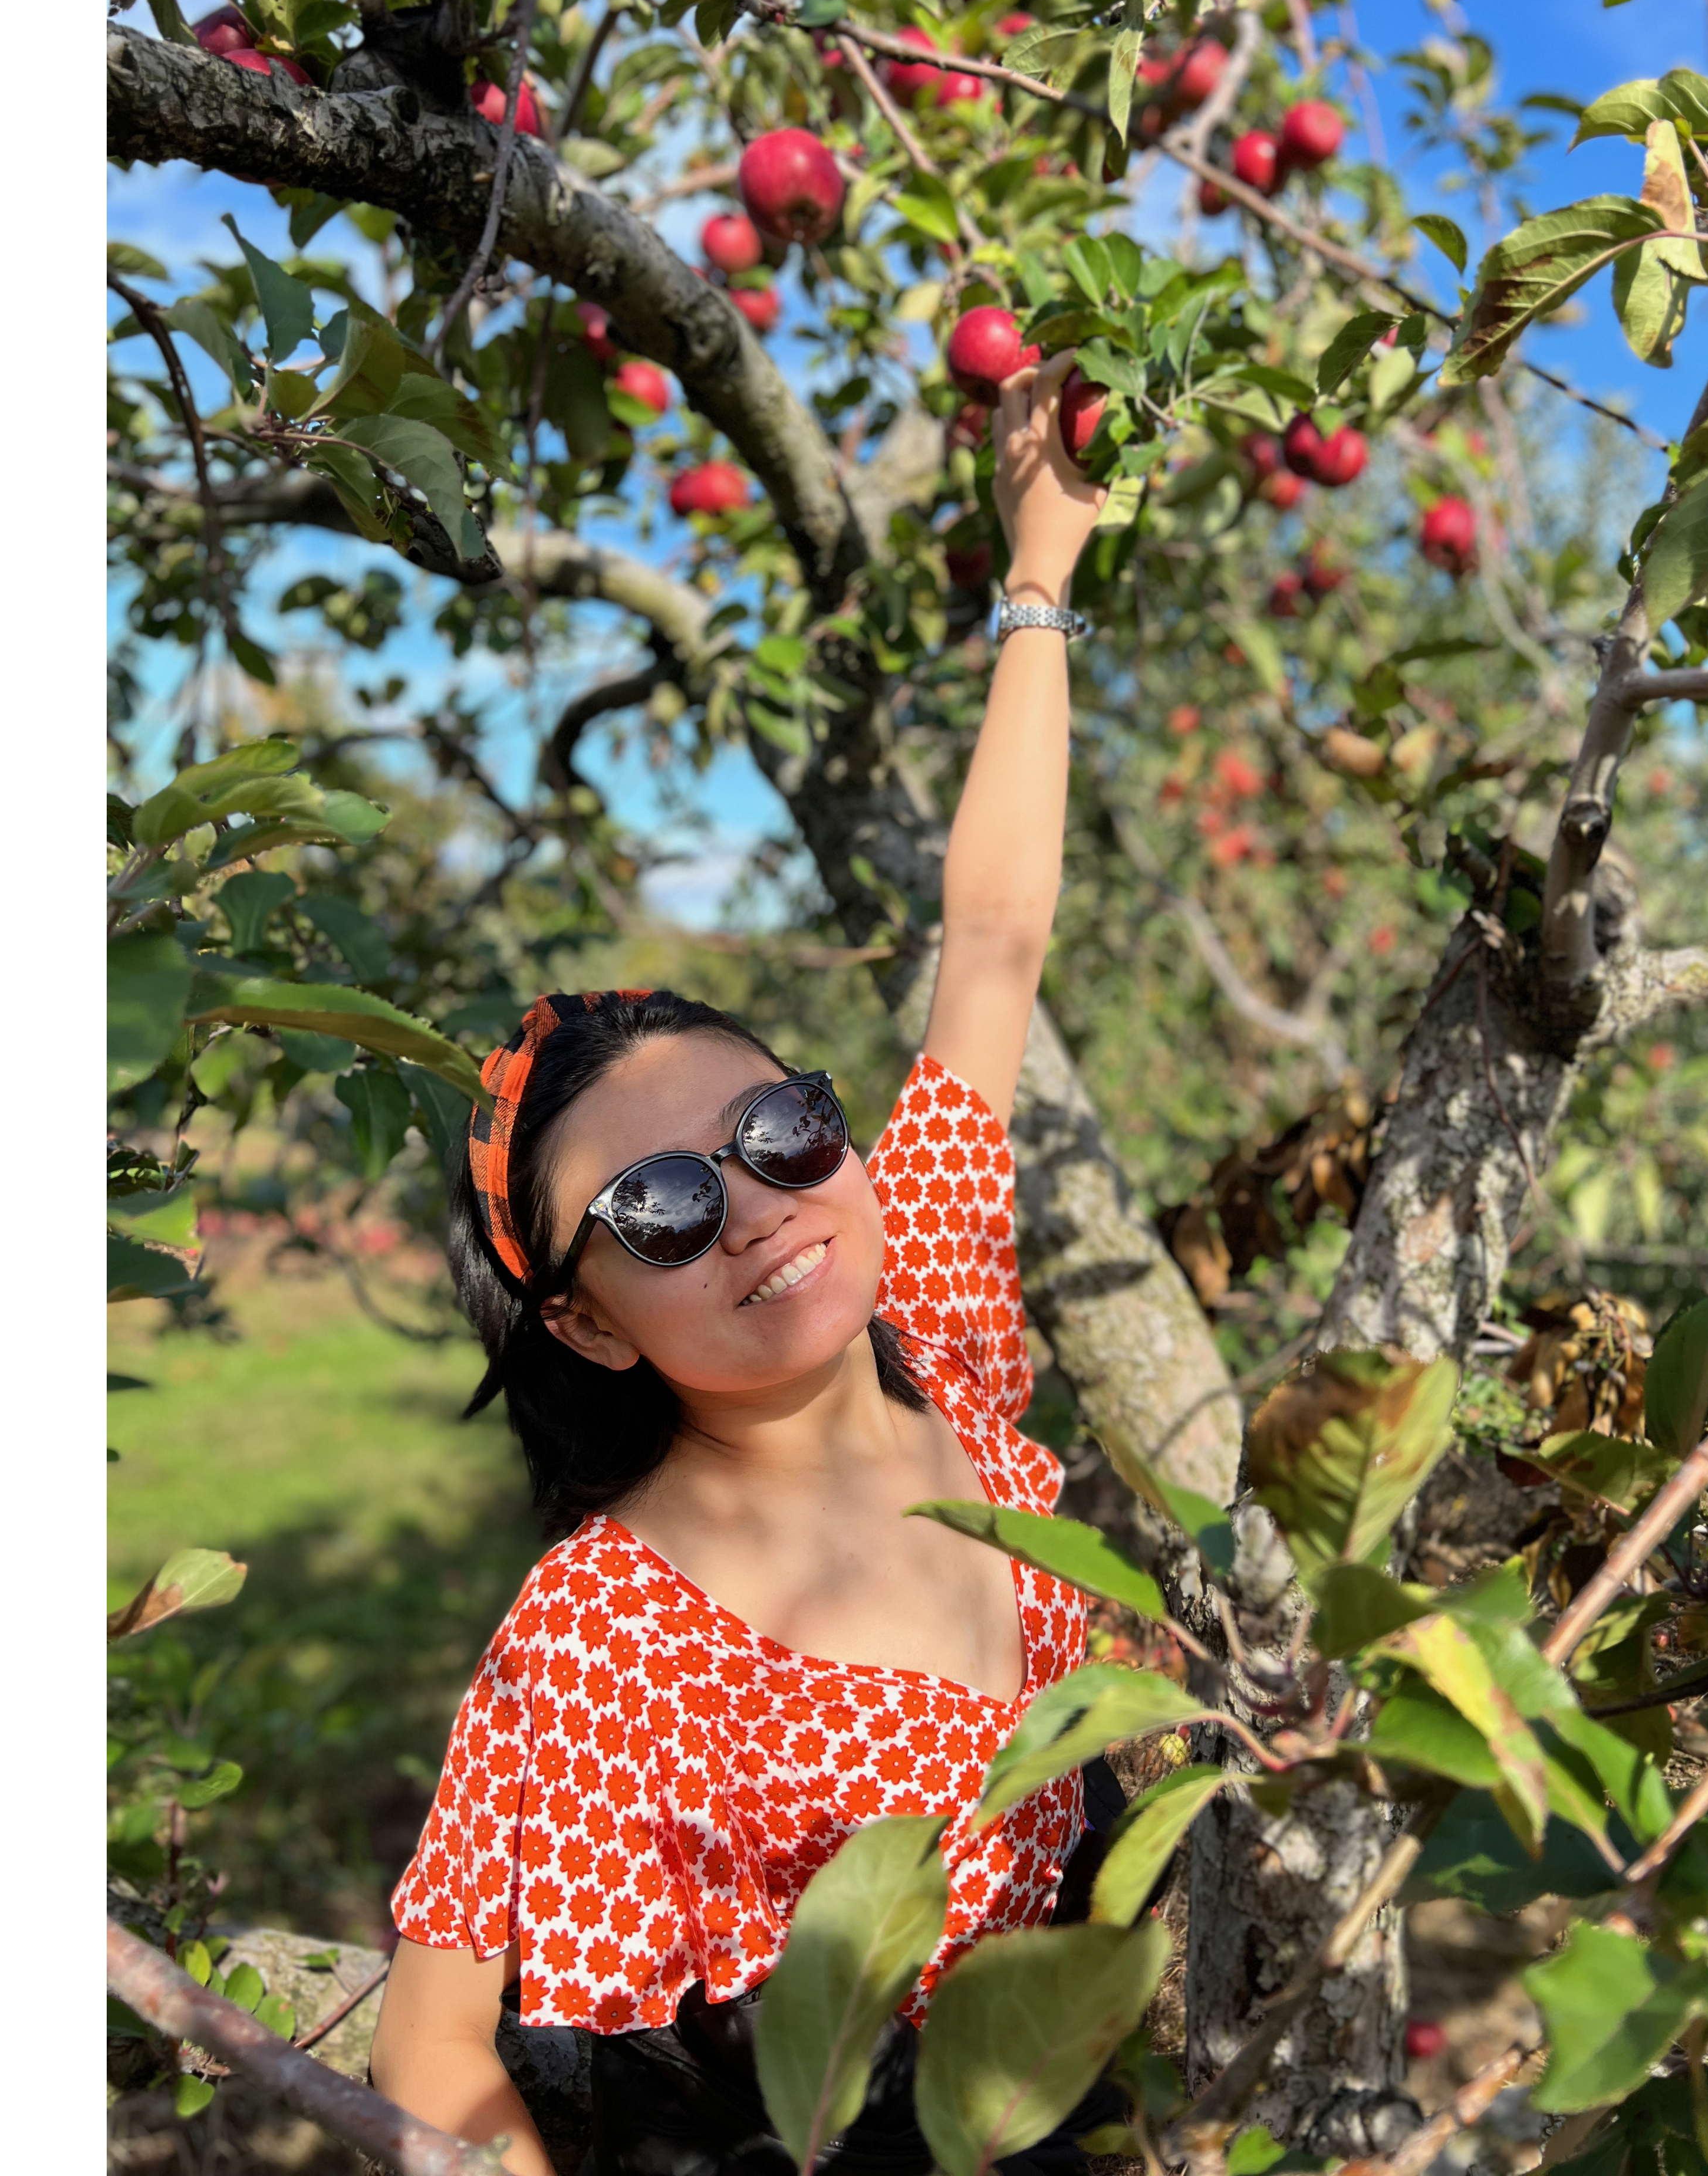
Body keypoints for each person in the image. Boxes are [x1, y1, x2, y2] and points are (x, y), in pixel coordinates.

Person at [369, 359, 1159, 2176]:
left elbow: (993, 941)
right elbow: (438, 2063)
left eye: (785, 1132)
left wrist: (1040, 563)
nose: (754, 1207)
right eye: (654, 1209)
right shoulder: (611, 1640)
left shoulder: (934, 1330)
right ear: (582, 1316)